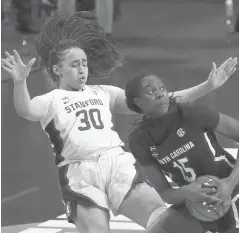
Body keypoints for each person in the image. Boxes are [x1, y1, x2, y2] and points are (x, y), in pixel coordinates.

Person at [1, 11, 238, 233]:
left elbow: (161, 102)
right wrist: (20, 83)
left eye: (84, 63)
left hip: (116, 165)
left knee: (163, 223)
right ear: (57, 69)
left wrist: (206, 87)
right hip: (80, 172)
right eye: (75, 65)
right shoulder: (50, 100)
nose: (83, 69)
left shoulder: (103, 92)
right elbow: (26, 110)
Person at [126, 70, 239, 233]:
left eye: (162, 88)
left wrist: (229, 183)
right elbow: (165, 193)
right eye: (150, 91)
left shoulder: (192, 113)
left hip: (232, 187)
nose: (159, 94)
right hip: (195, 202)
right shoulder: (139, 140)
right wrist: (186, 192)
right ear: (138, 102)